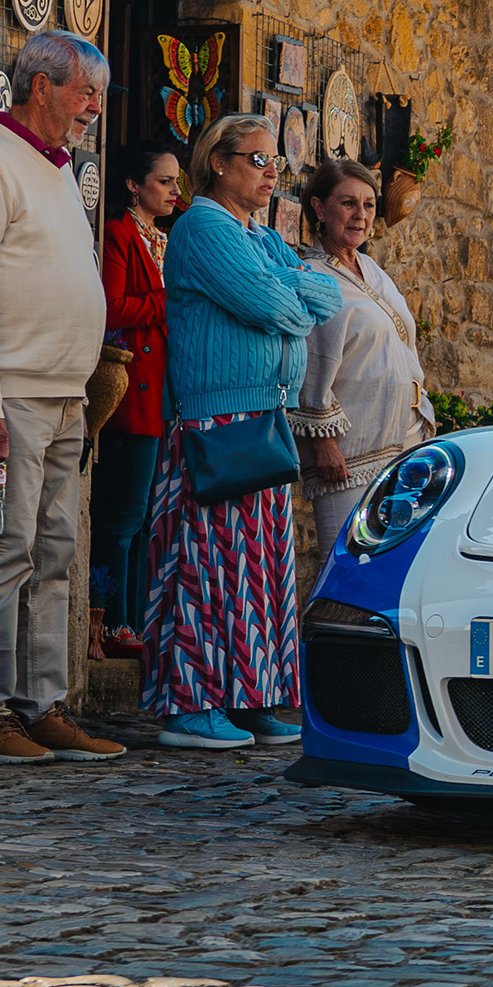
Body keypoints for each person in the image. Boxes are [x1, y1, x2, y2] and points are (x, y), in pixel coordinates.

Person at [0, 30, 123, 767]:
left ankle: (39, 706)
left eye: (100, 96)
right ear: (40, 86)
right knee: (3, 551)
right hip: (10, 399)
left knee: (54, 555)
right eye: (85, 93)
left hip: (62, 399)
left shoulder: (55, 169)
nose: (95, 108)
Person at [150, 113, 345, 753]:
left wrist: (289, 290)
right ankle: (191, 703)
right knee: (208, 564)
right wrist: (290, 293)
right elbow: (274, 305)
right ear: (219, 162)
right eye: (258, 160)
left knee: (257, 570)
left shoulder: (259, 236)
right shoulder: (204, 226)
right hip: (217, 420)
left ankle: (250, 694)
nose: (271, 173)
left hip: (262, 416)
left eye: (275, 162)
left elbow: (327, 297)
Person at [296, 155, 435, 556]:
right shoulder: (311, 275)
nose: (361, 215)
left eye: (369, 204)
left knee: (397, 563)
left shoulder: (372, 269)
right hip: (349, 452)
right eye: (348, 203)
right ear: (320, 208)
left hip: (405, 436)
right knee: (348, 561)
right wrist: (323, 442)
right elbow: (309, 360)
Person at [91, 141, 185, 659]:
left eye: (176, 182)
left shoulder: (165, 239)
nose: (175, 190)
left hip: (166, 393)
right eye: (164, 181)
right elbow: (110, 307)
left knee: (150, 517)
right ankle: (108, 622)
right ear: (133, 185)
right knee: (122, 517)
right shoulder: (119, 234)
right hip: (133, 393)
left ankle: (139, 620)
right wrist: (170, 299)